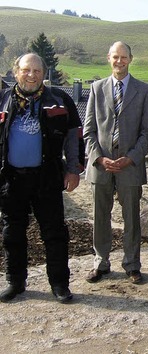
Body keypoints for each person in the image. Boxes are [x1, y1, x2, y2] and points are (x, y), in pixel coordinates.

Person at [0, 53, 81, 303]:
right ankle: (16, 281)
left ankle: (59, 284)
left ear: (44, 74)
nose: (32, 75)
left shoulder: (59, 99)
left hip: (47, 177)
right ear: (16, 72)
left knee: (55, 233)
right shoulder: (3, 100)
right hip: (11, 178)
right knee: (12, 232)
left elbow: (74, 135)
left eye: (37, 71)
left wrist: (74, 169)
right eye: (26, 70)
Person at [83, 41, 148, 285]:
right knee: (100, 216)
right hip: (101, 165)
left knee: (131, 218)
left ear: (131, 59)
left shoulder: (145, 91)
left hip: (130, 166)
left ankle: (132, 264)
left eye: (124, 57)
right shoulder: (96, 88)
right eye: (115, 57)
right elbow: (89, 131)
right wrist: (99, 158)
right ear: (108, 58)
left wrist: (131, 158)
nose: (119, 61)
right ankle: (100, 263)